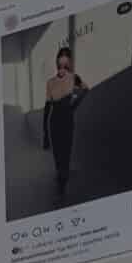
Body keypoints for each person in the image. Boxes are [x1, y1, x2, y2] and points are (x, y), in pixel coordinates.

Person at [42, 46, 89, 196]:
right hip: (54, 122)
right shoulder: (50, 82)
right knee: (57, 155)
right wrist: (45, 133)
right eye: (60, 57)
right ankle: (60, 179)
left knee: (66, 154)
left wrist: (73, 105)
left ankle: (62, 183)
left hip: (67, 121)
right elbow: (47, 107)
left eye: (66, 57)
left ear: (69, 61)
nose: (62, 60)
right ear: (57, 61)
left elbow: (85, 89)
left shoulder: (74, 77)